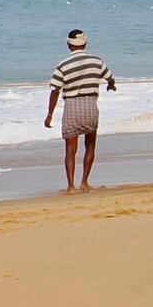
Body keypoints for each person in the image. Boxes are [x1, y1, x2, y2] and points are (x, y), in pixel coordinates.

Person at [44, 29, 116, 193]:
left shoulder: (63, 65)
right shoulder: (97, 61)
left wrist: (49, 115)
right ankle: (84, 182)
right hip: (90, 105)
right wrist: (111, 85)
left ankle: (71, 186)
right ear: (85, 43)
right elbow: (110, 77)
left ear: (68, 45)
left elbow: (55, 90)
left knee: (70, 150)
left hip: (72, 106)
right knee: (90, 145)